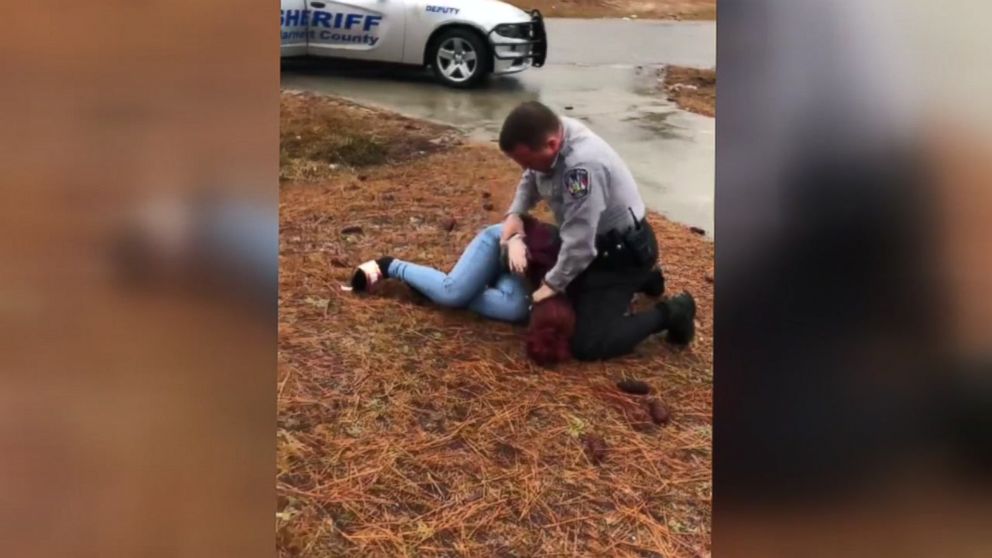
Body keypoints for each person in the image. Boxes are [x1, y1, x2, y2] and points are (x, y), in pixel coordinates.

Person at [498, 101, 697, 361]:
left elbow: (580, 244)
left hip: (619, 256)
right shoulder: (551, 131)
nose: (525, 169)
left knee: (587, 343)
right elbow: (531, 178)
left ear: (551, 145)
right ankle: (645, 280)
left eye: (527, 161)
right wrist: (515, 212)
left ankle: (672, 312)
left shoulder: (581, 169)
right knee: (515, 257)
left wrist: (552, 284)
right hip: (593, 243)